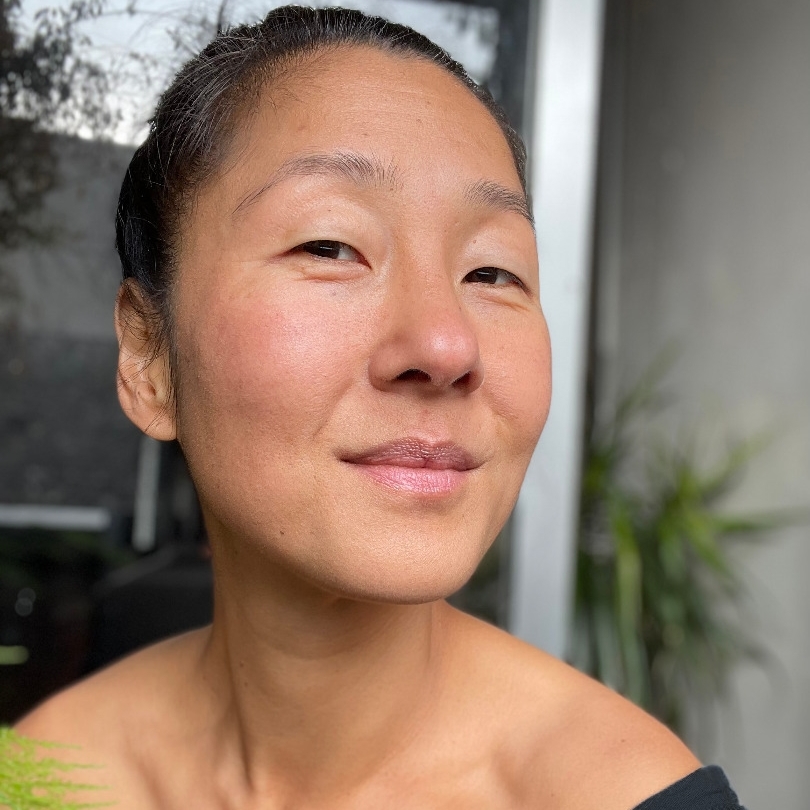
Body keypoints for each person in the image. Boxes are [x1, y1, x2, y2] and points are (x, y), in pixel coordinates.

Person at [16, 6, 744, 809]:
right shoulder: (48, 774)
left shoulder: (620, 795)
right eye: (330, 246)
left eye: (492, 271)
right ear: (149, 357)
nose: (446, 346)